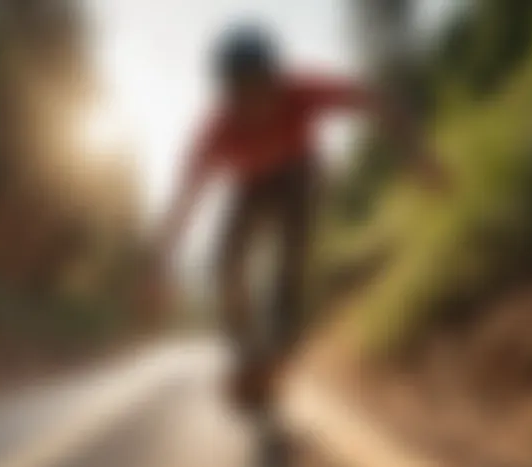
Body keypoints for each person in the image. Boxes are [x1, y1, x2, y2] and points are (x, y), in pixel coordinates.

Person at [150, 24, 446, 409]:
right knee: (225, 264)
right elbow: (184, 202)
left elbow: (377, 101)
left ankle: (282, 342)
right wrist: (159, 269)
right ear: (228, 95)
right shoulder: (216, 129)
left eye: (261, 89)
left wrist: (417, 154)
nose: (254, 105)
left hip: (298, 174)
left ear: (276, 79)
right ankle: (249, 352)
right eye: (242, 95)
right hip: (251, 186)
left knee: (289, 264)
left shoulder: (302, 91)